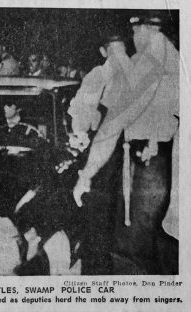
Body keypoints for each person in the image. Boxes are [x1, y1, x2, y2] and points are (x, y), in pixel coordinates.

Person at [71, 14, 179, 274]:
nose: (132, 39)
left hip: (151, 162)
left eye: (133, 32)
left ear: (144, 28)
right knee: (155, 247)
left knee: (131, 251)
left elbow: (113, 124)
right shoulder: (165, 57)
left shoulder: (156, 53)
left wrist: (86, 174)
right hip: (147, 159)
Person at [68, 33, 133, 274]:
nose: (121, 57)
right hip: (100, 156)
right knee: (97, 226)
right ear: (104, 52)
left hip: (118, 157)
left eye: (123, 51)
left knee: (110, 227)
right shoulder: (98, 76)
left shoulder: (127, 77)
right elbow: (81, 119)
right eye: (115, 51)